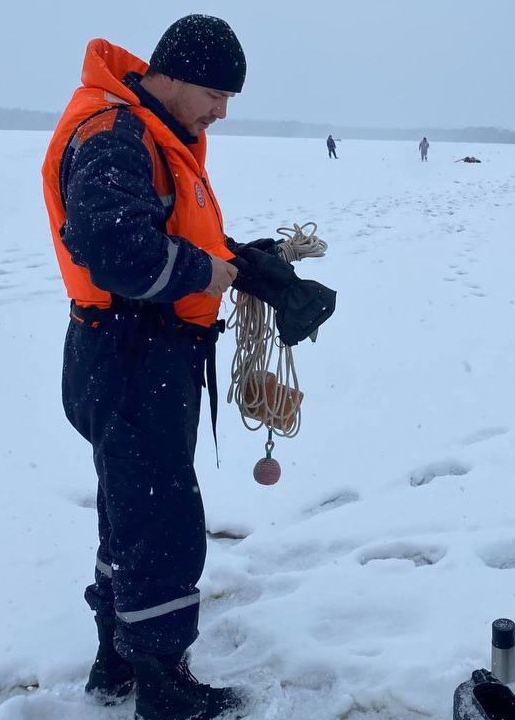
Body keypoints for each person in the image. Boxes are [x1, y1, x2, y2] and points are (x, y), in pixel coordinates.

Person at [42, 14, 334, 720]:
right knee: (161, 520)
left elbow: (165, 231)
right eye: (214, 93)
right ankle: (163, 686)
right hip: (131, 355)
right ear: (169, 75)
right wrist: (212, 272)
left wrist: (245, 264)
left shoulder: (155, 132)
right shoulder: (117, 136)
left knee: (131, 512)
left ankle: (117, 662)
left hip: (135, 354)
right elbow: (113, 248)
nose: (222, 111)